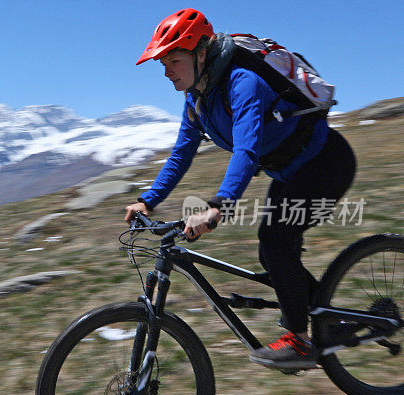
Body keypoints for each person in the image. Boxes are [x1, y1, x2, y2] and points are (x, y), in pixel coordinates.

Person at [123, 8, 356, 370]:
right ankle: (334, 323)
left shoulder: (243, 81)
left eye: (174, 59)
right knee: (271, 251)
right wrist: (147, 201)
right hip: (288, 174)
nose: (167, 71)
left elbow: (247, 150)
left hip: (326, 164)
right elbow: (181, 155)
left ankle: (300, 340)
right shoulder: (196, 100)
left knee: (277, 242)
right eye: (163, 63)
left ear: (201, 54)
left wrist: (219, 205)